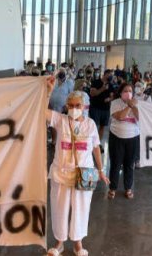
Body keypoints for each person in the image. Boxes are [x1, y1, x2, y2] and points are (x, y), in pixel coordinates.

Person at [46, 88, 110, 256]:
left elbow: (96, 148)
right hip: (61, 173)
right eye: (71, 105)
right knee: (59, 209)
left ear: (84, 106)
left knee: (81, 209)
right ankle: (59, 243)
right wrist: (47, 91)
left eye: (78, 105)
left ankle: (78, 244)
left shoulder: (90, 124)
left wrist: (101, 170)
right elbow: (41, 111)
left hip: (84, 174)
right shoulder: (60, 120)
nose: (74, 108)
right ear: (67, 106)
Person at [108, 84, 139, 200]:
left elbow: (140, 117)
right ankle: (112, 188)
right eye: (125, 91)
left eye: (130, 91)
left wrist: (133, 106)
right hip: (116, 137)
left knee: (129, 165)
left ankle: (128, 188)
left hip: (133, 137)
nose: (128, 93)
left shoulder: (137, 103)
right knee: (116, 164)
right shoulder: (115, 103)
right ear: (121, 92)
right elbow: (120, 116)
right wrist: (129, 106)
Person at [89, 69, 114, 153]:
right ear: (105, 74)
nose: (111, 76)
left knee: (102, 126)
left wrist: (109, 99)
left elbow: (112, 95)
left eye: (112, 75)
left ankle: (98, 144)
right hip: (95, 107)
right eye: (110, 74)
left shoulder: (110, 84)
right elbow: (93, 93)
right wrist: (102, 89)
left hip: (105, 109)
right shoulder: (95, 82)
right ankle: (91, 144)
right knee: (94, 126)